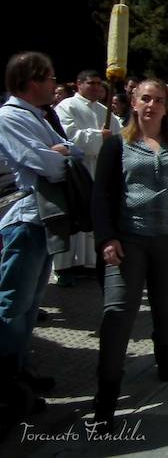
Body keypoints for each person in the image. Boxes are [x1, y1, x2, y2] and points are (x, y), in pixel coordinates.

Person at [91, 79, 168, 426]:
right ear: (133, 103)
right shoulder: (116, 146)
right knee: (118, 315)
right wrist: (107, 238)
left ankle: (164, 353)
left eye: (158, 100)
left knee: (166, 306)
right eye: (145, 99)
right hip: (127, 240)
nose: (151, 105)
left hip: (167, 239)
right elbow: (101, 195)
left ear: (167, 107)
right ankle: (106, 400)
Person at [0, 52, 77, 424]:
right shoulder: (10, 117)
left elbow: (71, 154)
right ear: (31, 81)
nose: (53, 84)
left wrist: (61, 153)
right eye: (49, 78)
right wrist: (59, 155)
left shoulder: (38, 116)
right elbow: (46, 163)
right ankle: (5, 379)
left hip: (43, 218)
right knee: (13, 303)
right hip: (24, 219)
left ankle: (19, 369)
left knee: (31, 305)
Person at [53, 69, 122, 285]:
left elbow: (119, 137)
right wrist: (98, 137)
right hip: (77, 171)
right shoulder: (66, 107)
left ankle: (90, 262)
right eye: (90, 83)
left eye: (98, 84)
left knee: (94, 214)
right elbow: (67, 137)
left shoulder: (105, 110)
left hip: (99, 170)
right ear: (79, 84)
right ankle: (65, 266)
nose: (95, 87)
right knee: (74, 215)